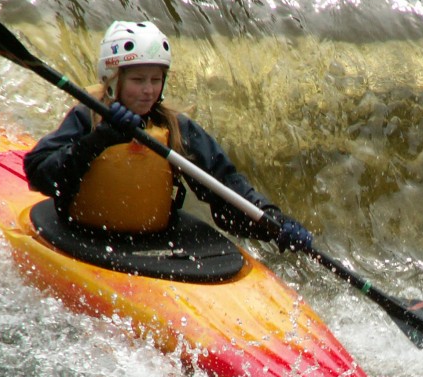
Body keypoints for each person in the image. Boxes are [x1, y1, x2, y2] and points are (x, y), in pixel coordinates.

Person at [23, 20, 312, 252]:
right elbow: (38, 173)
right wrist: (98, 141)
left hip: (153, 243)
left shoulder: (175, 127)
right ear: (112, 79)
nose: (149, 90)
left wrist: (273, 221)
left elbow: (226, 189)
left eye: (156, 79)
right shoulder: (87, 117)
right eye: (138, 80)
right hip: (81, 236)